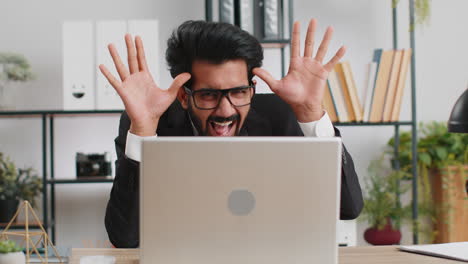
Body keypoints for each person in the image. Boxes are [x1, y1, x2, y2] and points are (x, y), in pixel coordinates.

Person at [100, 19, 363, 248]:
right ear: (183, 95)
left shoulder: (282, 116)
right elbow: (125, 237)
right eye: (209, 94)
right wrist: (144, 131)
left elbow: (348, 208)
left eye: (239, 92)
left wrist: (311, 113)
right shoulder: (147, 122)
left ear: (252, 89)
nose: (226, 110)